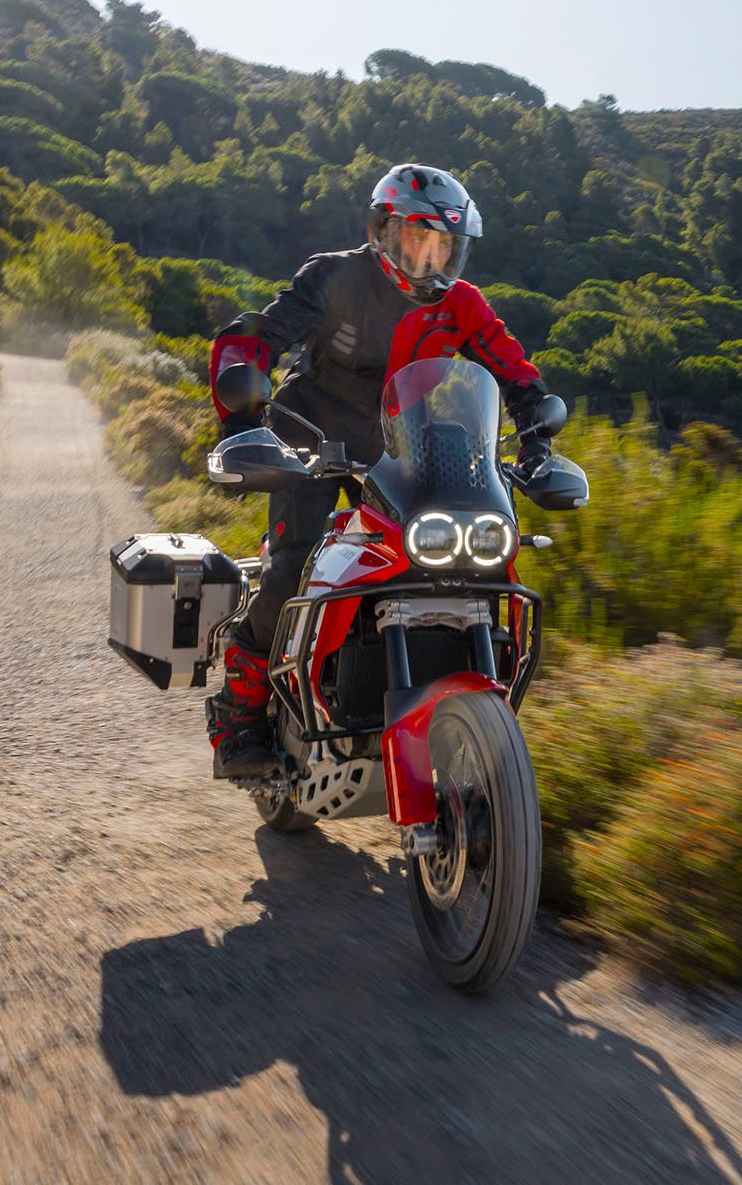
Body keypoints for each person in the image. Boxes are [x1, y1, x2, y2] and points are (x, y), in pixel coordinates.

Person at [203, 163, 554, 780]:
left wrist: (537, 439)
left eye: (444, 244)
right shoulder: (333, 277)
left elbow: (514, 371)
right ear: (383, 231)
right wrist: (242, 420)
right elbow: (250, 340)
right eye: (418, 238)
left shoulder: (463, 305)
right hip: (308, 435)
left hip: (395, 445)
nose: (430, 257)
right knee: (294, 568)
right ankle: (239, 714)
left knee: (454, 561)